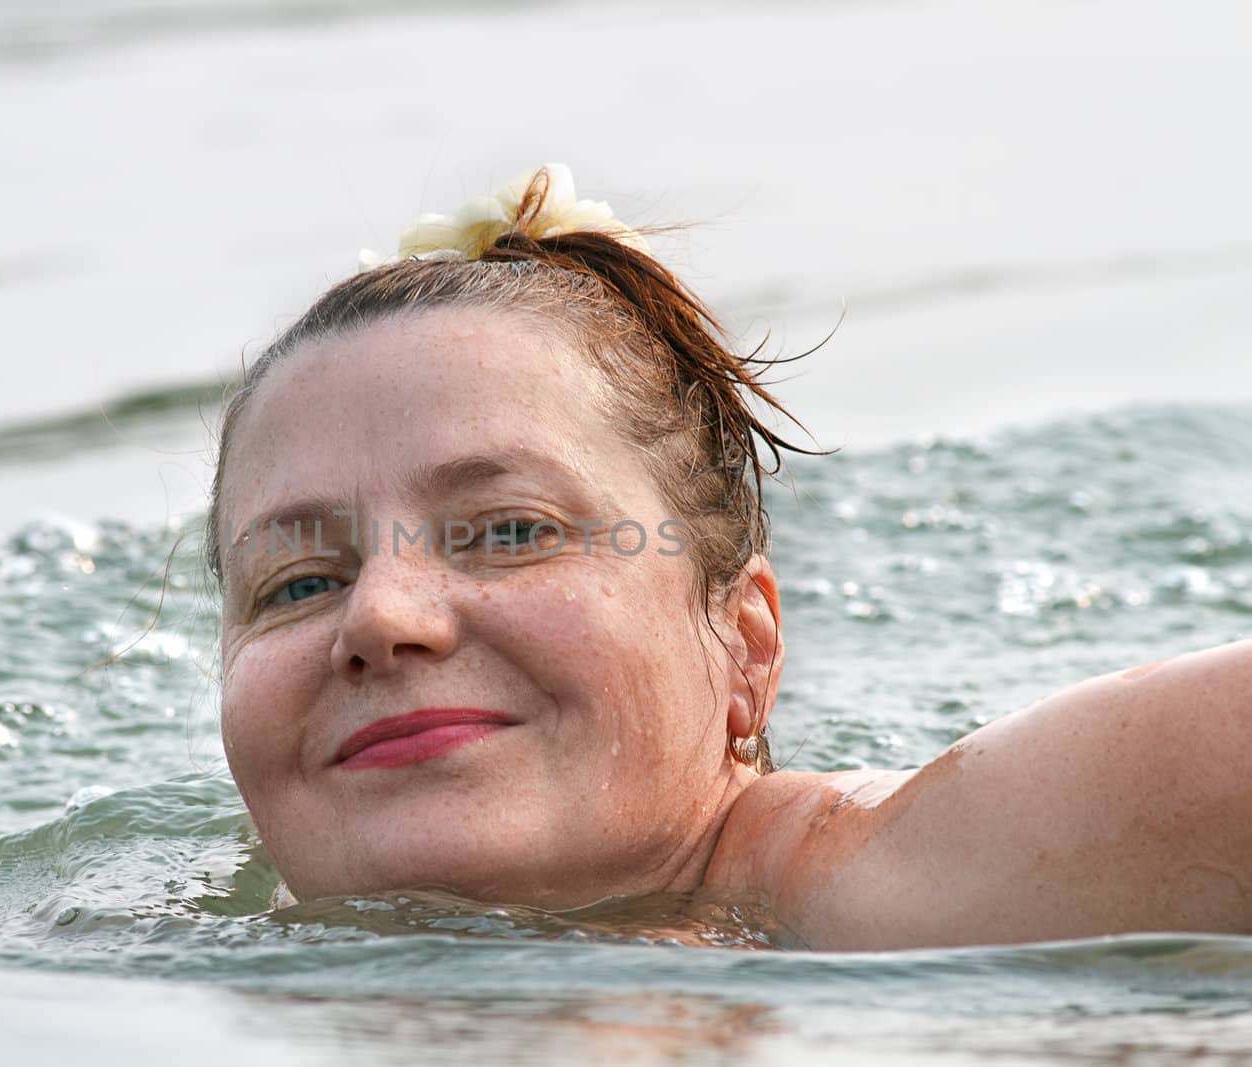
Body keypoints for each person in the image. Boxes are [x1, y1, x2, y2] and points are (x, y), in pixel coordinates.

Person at [204, 164, 1252, 951]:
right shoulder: (109, 947)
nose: (381, 614)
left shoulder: (930, 879)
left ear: (744, 649)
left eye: (512, 530)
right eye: (297, 581)